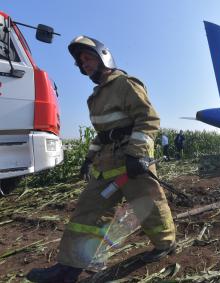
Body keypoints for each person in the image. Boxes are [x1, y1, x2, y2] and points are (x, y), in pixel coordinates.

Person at [26, 36, 176, 283]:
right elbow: (102, 134)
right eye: (80, 62)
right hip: (105, 165)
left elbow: (148, 119)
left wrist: (137, 154)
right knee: (87, 212)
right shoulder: (95, 97)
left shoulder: (125, 84)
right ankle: (68, 269)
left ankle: (165, 244)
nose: (84, 64)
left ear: (103, 56)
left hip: (132, 162)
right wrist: (88, 159)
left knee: (148, 207)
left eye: (88, 58)